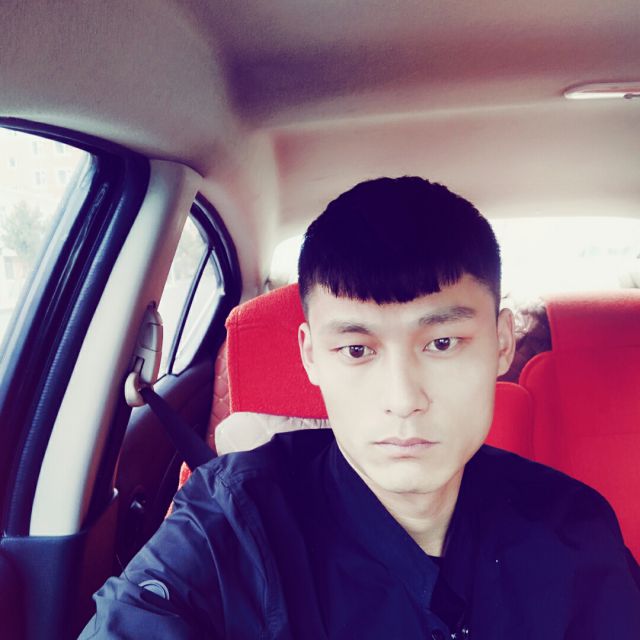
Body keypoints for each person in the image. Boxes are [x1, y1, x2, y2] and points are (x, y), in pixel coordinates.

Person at [80, 177, 640, 639]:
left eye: (442, 343)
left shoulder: (575, 530)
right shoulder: (233, 524)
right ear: (311, 357)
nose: (404, 400)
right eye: (356, 350)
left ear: (501, 343)